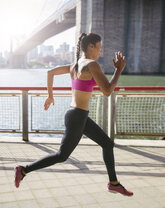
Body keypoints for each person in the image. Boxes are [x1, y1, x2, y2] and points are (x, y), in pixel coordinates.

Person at [15, 33, 133, 196]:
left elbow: (50, 73)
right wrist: (119, 70)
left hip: (77, 115)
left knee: (107, 144)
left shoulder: (75, 65)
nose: (100, 50)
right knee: (61, 156)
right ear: (90, 47)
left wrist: (50, 95)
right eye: (98, 47)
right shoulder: (92, 65)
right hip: (77, 117)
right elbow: (107, 91)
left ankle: (114, 183)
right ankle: (23, 170)